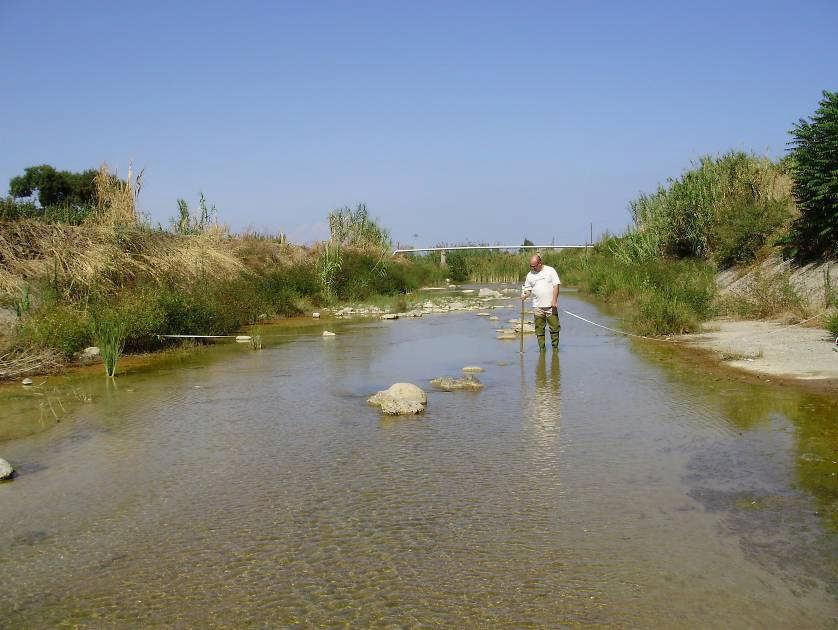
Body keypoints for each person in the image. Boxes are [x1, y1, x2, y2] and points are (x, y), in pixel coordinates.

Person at [521, 254, 560, 351]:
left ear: (540, 263)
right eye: (531, 266)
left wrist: (554, 300)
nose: (532, 268)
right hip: (537, 307)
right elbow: (528, 290)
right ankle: (542, 350)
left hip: (551, 306)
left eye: (534, 266)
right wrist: (525, 295)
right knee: (539, 330)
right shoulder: (530, 275)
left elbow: (556, 285)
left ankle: (555, 349)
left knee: (554, 329)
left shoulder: (550, 270)